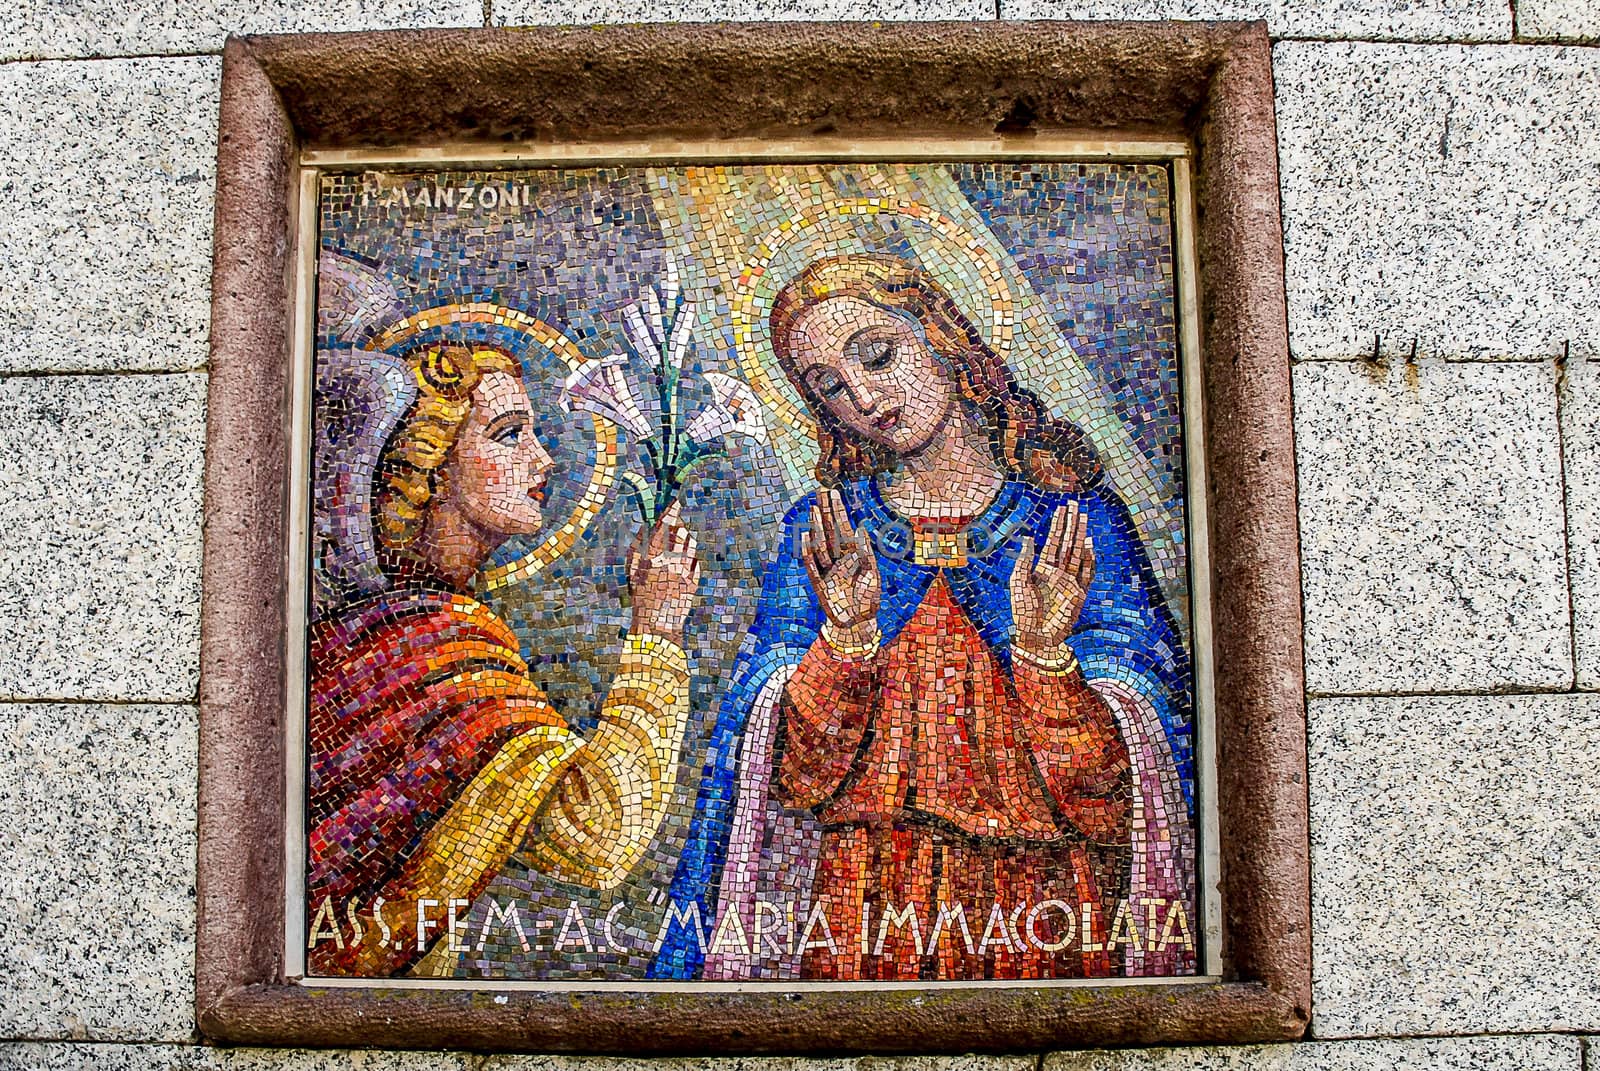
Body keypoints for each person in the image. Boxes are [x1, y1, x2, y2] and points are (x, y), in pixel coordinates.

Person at [652, 253, 1193, 982]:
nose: (866, 397)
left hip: (1048, 895)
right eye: (831, 387)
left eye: (877, 355)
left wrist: (1044, 658)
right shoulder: (824, 530)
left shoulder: (1073, 517)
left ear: (938, 335)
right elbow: (787, 774)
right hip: (860, 896)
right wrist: (842, 642)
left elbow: (1127, 778)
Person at [307, 342, 700, 977]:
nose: (543, 460)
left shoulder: (381, 630)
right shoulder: (439, 646)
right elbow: (597, 833)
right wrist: (657, 625)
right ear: (431, 469)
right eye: (508, 435)